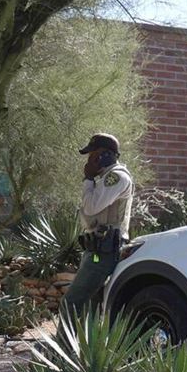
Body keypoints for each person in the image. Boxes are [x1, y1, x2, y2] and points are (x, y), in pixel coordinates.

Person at [62, 133, 134, 317]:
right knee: (91, 306)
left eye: (92, 153)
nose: (89, 159)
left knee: (72, 302)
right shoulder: (104, 178)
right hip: (97, 249)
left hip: (104, 251)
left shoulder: (116, 178)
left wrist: (88, 179)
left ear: (104, 155)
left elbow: (92, 207)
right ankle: (84, 345)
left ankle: (64, 344)